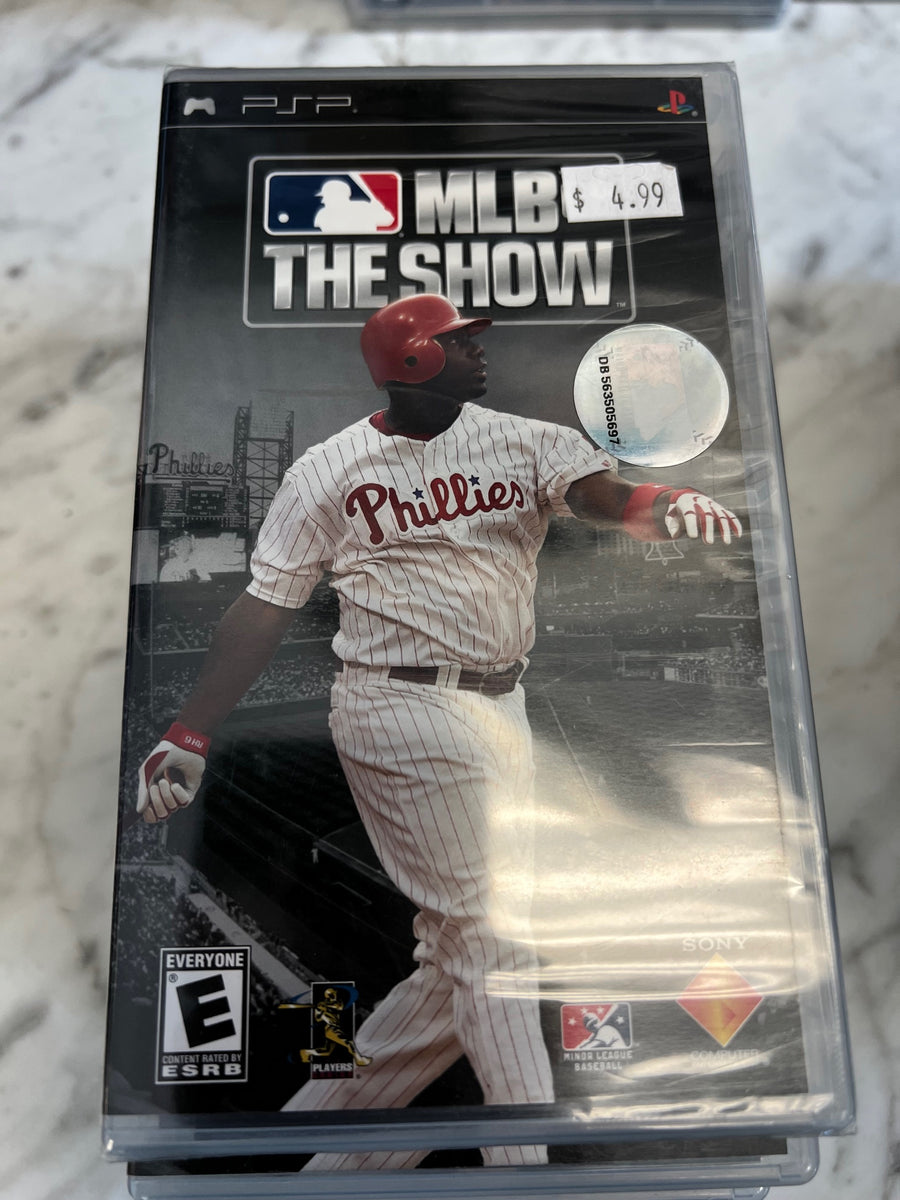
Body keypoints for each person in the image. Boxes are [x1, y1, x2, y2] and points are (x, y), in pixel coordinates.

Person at [137, 293, 741, 1169]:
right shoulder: (327, 469)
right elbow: (265, 605)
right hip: (398, 703)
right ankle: (527, 1173)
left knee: (453, 961)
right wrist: (191, 732)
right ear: (414, 358)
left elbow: (598, 495)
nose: (479, 352)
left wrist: (660, 499)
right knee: (497, 940)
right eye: (459, 342)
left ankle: (322, 1159)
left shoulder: (524, 440)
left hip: (502, 704)